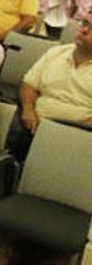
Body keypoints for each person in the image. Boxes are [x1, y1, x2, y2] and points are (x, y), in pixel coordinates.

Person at [6, 12, 92, 161]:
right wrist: (28, 110)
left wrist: (64, 132)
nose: (84, 30)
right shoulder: (57, 53)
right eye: (84, 24)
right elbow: (29, 84)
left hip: (78, 137)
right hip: (33, 126)